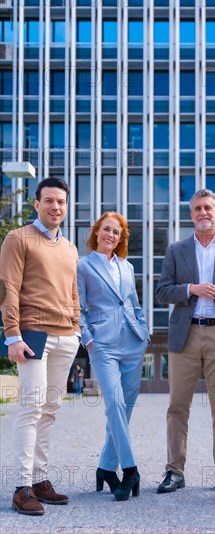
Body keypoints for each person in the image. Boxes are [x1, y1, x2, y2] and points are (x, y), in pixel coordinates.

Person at [155, 189, 215, 494]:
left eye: (208, 207)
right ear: (191, 214)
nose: (203, 212)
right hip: (185, 334)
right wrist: (192, 288)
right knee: (177, 406)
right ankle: (175, 471)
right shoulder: (177, 249)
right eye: (197, 208)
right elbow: (162, 291)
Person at [0, 177, 80, 516]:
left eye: (60, 201)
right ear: (37, 204)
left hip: (65, 337)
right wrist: (13, 335)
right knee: (31, 409)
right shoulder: (18, 239)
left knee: (50, 411)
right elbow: (8, 288)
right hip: (33, 335)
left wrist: (76, 329)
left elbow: (73, 293)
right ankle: (21, 487)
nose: (55, 207)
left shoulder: (70, 247)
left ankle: (39, 479)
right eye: (49, 201)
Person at [77, 212, 149, 502]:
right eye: (106, 229)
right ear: (97, 232)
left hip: (132, 342)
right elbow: (77, 307)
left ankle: (106, 468)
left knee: (126, 407)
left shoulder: (127, 267)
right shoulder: (82, 266)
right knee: (114, 403)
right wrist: (88, 339)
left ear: (121, 238)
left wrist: (143, 333)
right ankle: (130, 469)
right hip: (103, 345)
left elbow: (134, 303)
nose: (111, 235)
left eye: (116, 232)